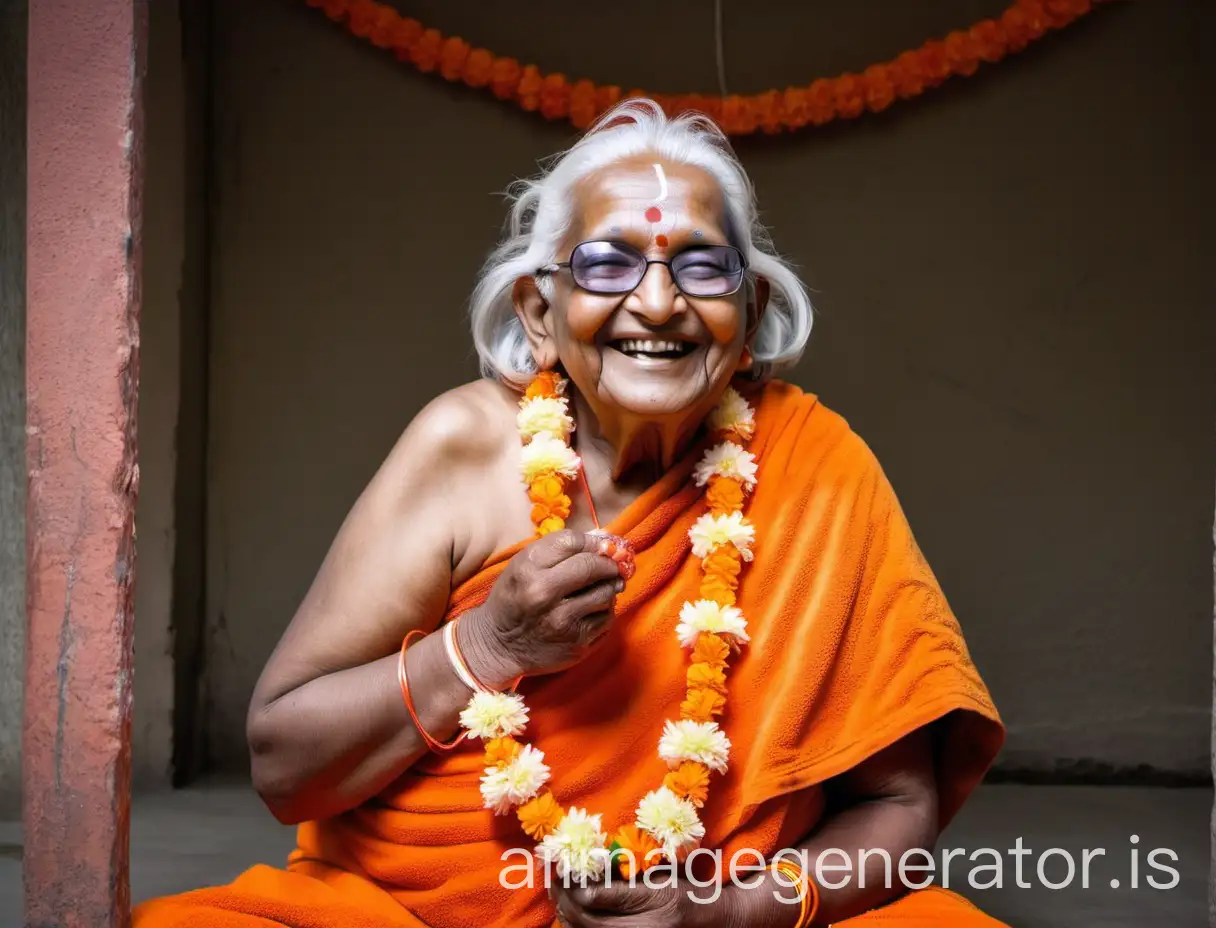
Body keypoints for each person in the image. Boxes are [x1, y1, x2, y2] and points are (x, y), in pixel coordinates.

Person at [134, 99, 1006, 928]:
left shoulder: (819, 469)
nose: (659, 303)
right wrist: (486, 648)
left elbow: (901, 807)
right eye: (607, 263)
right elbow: (285, 765)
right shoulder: (463, 446)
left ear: (749, 317)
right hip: (409, 913)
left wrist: (733, 912)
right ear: (539, 314)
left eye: (701, 265)